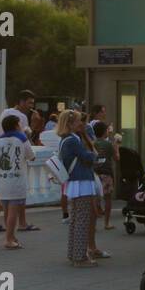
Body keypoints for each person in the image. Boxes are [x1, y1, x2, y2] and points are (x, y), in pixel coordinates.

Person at [57, 110, 104, 267]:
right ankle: (80, 257)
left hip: (76, 182)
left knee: (76, 220)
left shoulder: (66, 139)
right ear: (71, 124)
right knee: (82, 220)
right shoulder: (72, 140)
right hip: (82, 181)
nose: (81, 123)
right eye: (78, 121)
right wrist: (92, 154)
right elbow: (88, 156)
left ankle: (75, 254)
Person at [0, 91, 37, 232]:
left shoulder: (4, 112)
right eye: (29, 102)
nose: (31, 106)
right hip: (17, 157)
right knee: (18, 194)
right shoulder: (21, 117)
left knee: (5, 192)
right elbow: (24, 136)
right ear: (21, 101)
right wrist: (33, 125)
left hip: (4, 155)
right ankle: (20, 224)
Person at [90, 120, 118, 224]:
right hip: (106, 173)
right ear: (105, 132)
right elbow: (116, 158)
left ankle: (94, 224)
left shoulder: (92, 143)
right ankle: (107, 223)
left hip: (95, 173)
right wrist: (117, 147)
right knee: (107, 198)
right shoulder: (108, 144)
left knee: (95, 199)